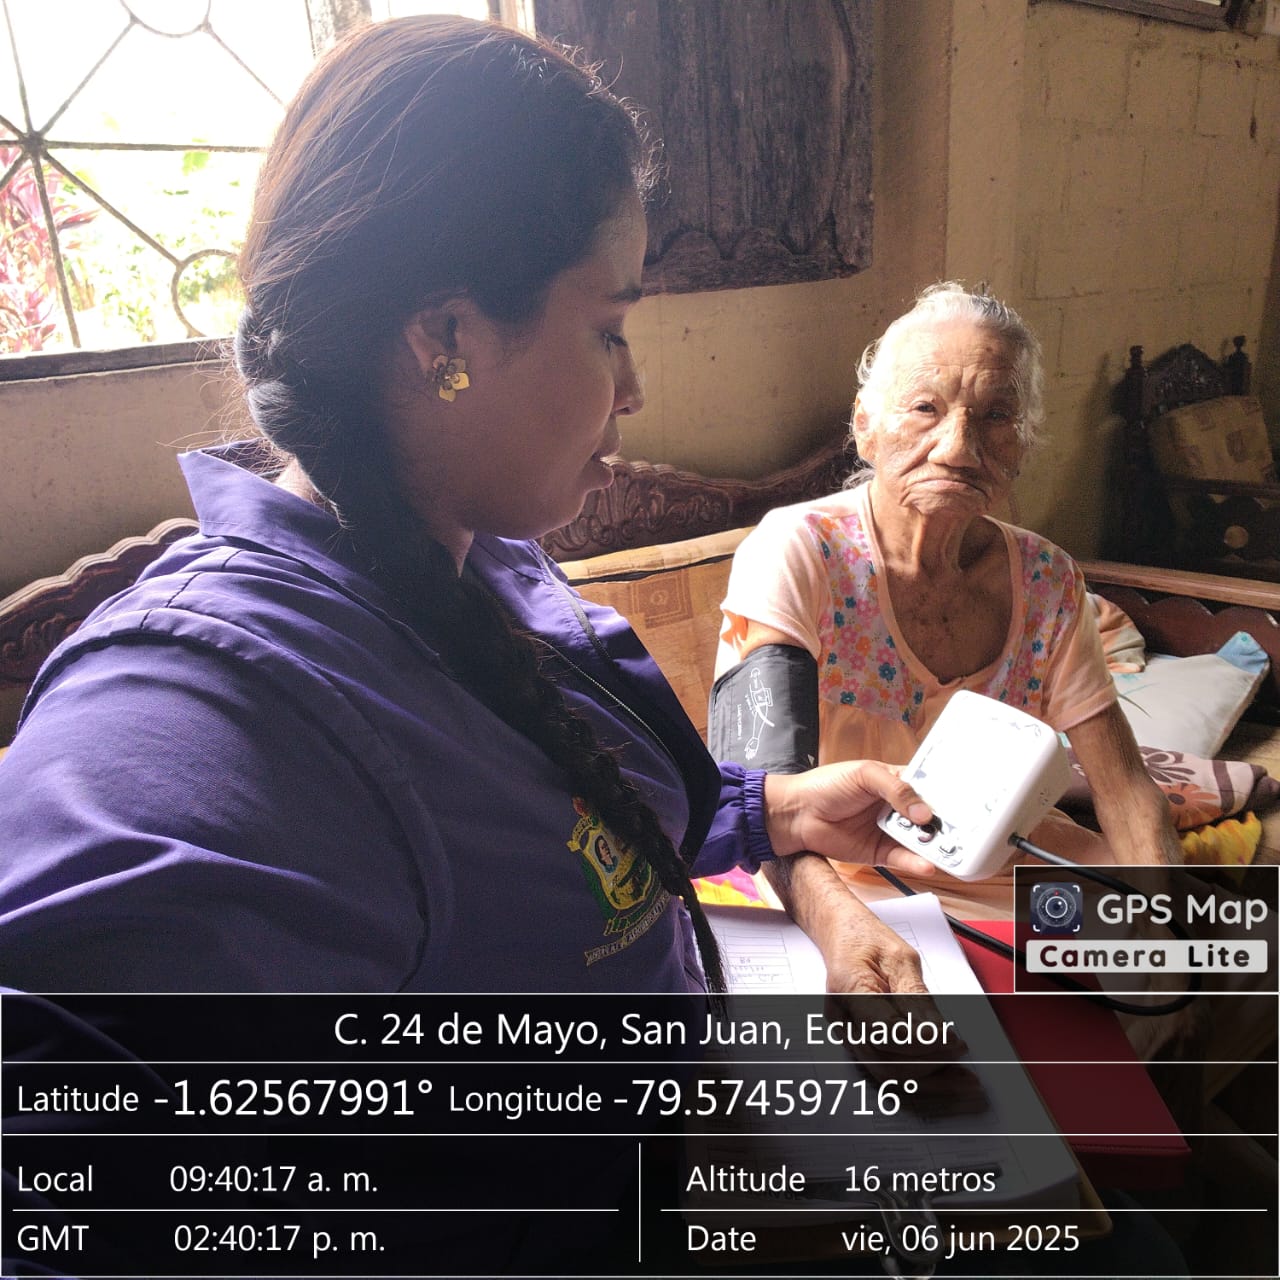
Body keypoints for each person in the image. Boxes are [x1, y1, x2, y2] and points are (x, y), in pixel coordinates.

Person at [0, 16, 936, 995]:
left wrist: (774, 809)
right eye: (609, 329)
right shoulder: (211, 701)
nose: (634, 390)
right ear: (446, 337)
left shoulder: (473, 553)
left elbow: (537, 844)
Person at [715, 282, 1184, 992]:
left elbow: (1123, 789)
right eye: (925, 408)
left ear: (1023, 442)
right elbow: (763, 796)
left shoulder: (1047, 579)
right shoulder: (800, 551)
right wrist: (843, 930)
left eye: (996, 415)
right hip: (835, 877)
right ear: (866, 426)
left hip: (1005, 867)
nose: (959, 448)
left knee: (1220, 969)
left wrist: (1166, 925)